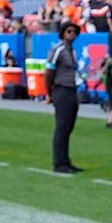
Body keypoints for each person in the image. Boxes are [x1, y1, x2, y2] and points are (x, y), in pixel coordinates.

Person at [44, 21, 83, 174]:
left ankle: (66, 160)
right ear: (63, 33)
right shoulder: (58, 50)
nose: (72, 34)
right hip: (62, 89)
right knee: (61, 127)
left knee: (68, 127)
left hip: (71, 90)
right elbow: (48, 72)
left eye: (74, 31)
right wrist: (50, 92)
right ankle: (59, 162)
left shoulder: (72, 51)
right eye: (69, 31)